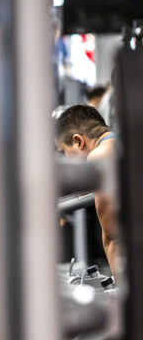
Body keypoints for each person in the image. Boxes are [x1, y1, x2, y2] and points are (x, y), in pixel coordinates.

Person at [55, 104, 118, 276]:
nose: (66, 158)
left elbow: (116, 240)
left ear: (78, 141)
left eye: (64, 151)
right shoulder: (124, 143)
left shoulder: (99, 157)